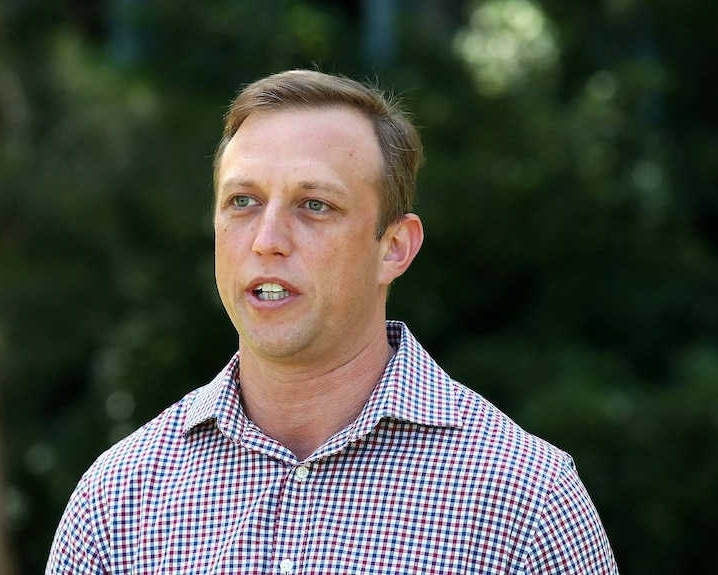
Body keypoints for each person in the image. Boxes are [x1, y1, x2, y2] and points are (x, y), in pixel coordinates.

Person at [46, 70, 618, 574]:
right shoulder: (118, 502)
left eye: (314, 205)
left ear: (394, 247)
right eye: (243, 201)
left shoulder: (525, 499)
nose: (267, 241)